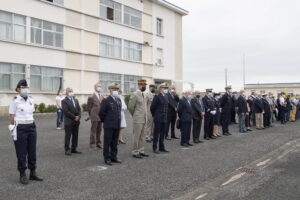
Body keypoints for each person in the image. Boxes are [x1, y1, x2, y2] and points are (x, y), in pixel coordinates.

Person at [8, 79, 43, 184]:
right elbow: (11, 116)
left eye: (26, 87)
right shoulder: (15, 101)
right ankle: (22, 174)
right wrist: (15, 126)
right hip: (21, 127)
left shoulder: (31, 100)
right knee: (21, 152)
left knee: (32, 151)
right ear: (18, 89)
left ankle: (33, 173)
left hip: (31, 126)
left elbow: (31, 113)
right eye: (23, 87)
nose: (25, 89)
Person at [99, 83, 122, 165]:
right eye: (113, 89)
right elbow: (101, 113)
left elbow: (119, 112)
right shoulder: (106, 100)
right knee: (107, 143)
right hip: (109, 125)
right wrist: (106, 121)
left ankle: (114, 157)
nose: (115, 91)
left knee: (114, 142)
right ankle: (107, 158)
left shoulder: (118, 100)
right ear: (110, 90)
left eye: (116, 89)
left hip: (117, 125)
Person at [128, 79, 149, 159]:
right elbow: (130, 107)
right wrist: (135, 115)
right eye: (143, 85)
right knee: (136, 136)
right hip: (138, 119)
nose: (144, 86)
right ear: (139, 85)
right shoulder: (135, 94)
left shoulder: (145, 95)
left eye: (145, 85)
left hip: (144, 118)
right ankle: (135, 151)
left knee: (143, 136)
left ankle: (141, 150)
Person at [62, 88, 81, 155]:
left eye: (72, 91)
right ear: (66, 93)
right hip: (69, 121)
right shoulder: (64, 101)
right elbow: (66, 111)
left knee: (75, 135)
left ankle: (74, 148)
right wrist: (74, 117)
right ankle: (67, 149)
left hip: (76, 121)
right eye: (69, 91)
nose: (71, 92)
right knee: (68, 136)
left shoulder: (76, 100)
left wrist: (79, 116)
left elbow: (79, 109)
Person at [150, 83, 169, 153]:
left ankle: (161, 147)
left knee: (163, 133)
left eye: (166, 88)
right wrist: (155, 115)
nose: (165, 89)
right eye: (164, 88)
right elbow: (152, 107)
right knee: (156, 133)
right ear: (160, 89)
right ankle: (154, 148)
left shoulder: (166, 96)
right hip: (158, 117)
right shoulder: (157, 97)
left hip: (164, 117)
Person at [87, 83, 104, 150]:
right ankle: (92, 144)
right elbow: (89, 108)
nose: (99, 87)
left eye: (100, 86)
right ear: (95, 87)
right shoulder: (91, 96)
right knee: (93, 130)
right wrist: (91, 115)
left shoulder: (101, 96)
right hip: (94, 116)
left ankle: (98, 143)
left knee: (99, 130)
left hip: (100, 116)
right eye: (98, 86)